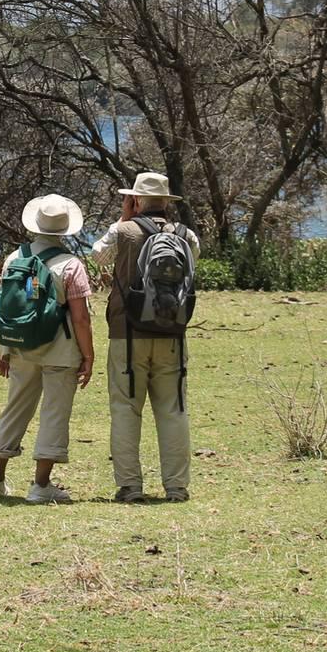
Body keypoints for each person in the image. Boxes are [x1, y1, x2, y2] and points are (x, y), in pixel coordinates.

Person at [91, 172, 200, 503]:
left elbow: (97, 256)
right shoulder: (186, 236)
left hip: (127, 333)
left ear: (135, 200)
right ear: (167, 202)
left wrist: (123, 220)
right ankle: (176, 487)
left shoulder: (122, 231)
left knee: (125, 408)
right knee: (173, 409)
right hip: (172, 332)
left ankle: (130, 486)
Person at [0, 195, 95, 504]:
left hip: (20, 348)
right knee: (54, 414)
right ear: (65, 229)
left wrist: (4, 348)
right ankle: (41, 486)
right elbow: (81, 318)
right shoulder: (71, 264)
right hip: (60, 350)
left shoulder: (13, 258)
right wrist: (88, 355)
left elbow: (7, 306)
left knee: (15, 408)